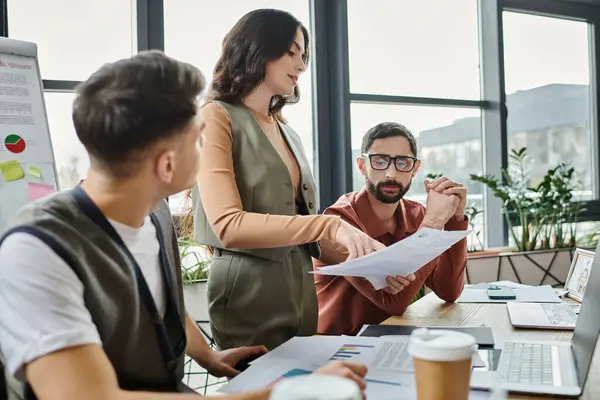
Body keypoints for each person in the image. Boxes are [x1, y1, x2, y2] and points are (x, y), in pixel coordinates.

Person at [0, 51, 367, 400]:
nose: (205, 150)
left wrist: (208, 356)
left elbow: (160, 305)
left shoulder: (154, 213)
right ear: (166, 165)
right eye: (198, 140)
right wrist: (287, 393)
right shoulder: (36, 250)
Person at [193, 8, 387, 352]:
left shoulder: (287, 131)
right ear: (256, 49)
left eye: (303, 55)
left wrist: (369, 261)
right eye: (291, 52)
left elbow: (301, 231)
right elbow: (228, 225)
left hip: (300, 299)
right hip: (247, 301)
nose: (301, 65)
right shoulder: (216, 117)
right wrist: (325, 226)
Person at [314, 122, 470, 335]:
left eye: (403, 163)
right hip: (340, 349)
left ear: (414, 169)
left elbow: (449, 291)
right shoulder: (339, 222)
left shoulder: (418, 216)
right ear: (361, 166)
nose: (391, 173)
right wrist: (433, 223)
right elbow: (393, 302)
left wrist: (454, 219)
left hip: (396, 342)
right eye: (379, 161)